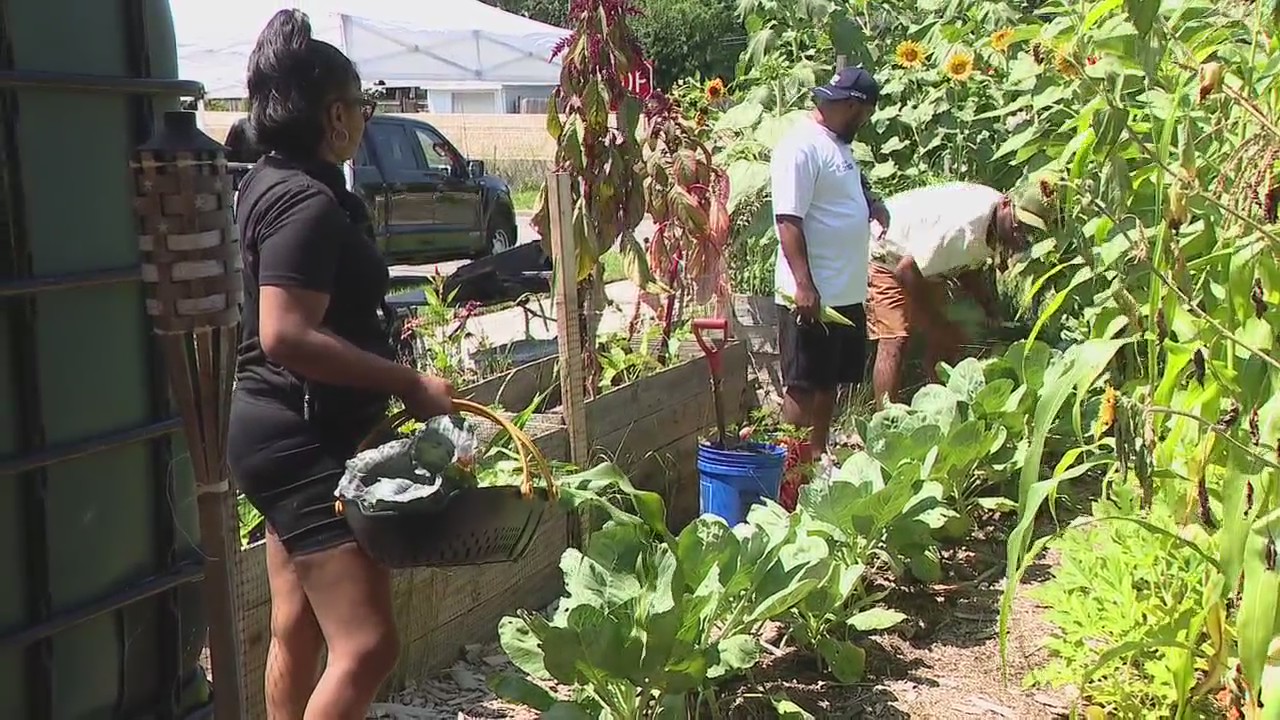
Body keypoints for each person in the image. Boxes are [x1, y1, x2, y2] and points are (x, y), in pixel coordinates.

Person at [225, 10, 454, 719]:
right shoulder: (306, 201)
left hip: (273, 427)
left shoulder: (270, 178)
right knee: (368, 645)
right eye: (362, 104)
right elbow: (286, 333)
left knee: (296, 619)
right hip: (302, 438)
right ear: (334, 115)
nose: (364, 116)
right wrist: (408, 383)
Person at [771, 67, 888, 455]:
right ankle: (791, 473)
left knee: (829, 381)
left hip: (844, 291)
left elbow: (847, 184)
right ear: (855, 106)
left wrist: (871, 202)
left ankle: (817, 459)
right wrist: (804, 284)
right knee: (803, 385)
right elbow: (788, 219)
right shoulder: (801, 146)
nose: (866, 122)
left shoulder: (837, 144)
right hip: (811, 294)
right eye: (868, 114)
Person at [866, 180, 1052, 405]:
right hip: (885, 251)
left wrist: (990, 310)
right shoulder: (964, 225)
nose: (1020, 233)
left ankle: (938, 400)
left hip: (919, 260)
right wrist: (938, 324)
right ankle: (884, 419)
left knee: (946, 337)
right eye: (1018, 223)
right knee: (895, 338)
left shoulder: (992, 220)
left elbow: (965, 267)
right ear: (1006, 204)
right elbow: (905, 271)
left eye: (1029, 229)